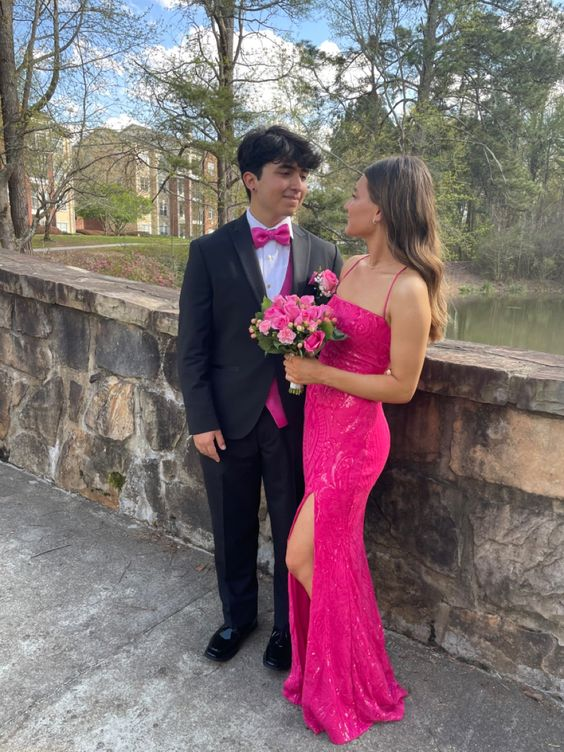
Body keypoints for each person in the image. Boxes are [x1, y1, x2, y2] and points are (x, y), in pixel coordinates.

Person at [282, 155, 447, 744]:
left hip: (356, 443)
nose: (347, 203)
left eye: (355, 195)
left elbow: (401, 386)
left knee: (302, 557)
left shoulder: (409, 288)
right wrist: (300, 340)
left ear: (379, 210)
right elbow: (334, 342)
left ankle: (352, 672)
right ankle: (340, 670)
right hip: (318, 429)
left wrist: (318, 374)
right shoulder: (349, 266)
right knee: (333, 558)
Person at [177, 125, 343, 671]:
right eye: (285, 172)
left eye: (303, 175)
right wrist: (201, 418)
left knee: (295, 528)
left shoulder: (324, 253)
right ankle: (237, 617)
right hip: (228, 417)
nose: (298, 184)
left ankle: (288, 629)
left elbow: (334, 342)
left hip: (298, 418)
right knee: (231, 524)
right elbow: (193, 346)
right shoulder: (208, 251)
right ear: (251, 179)